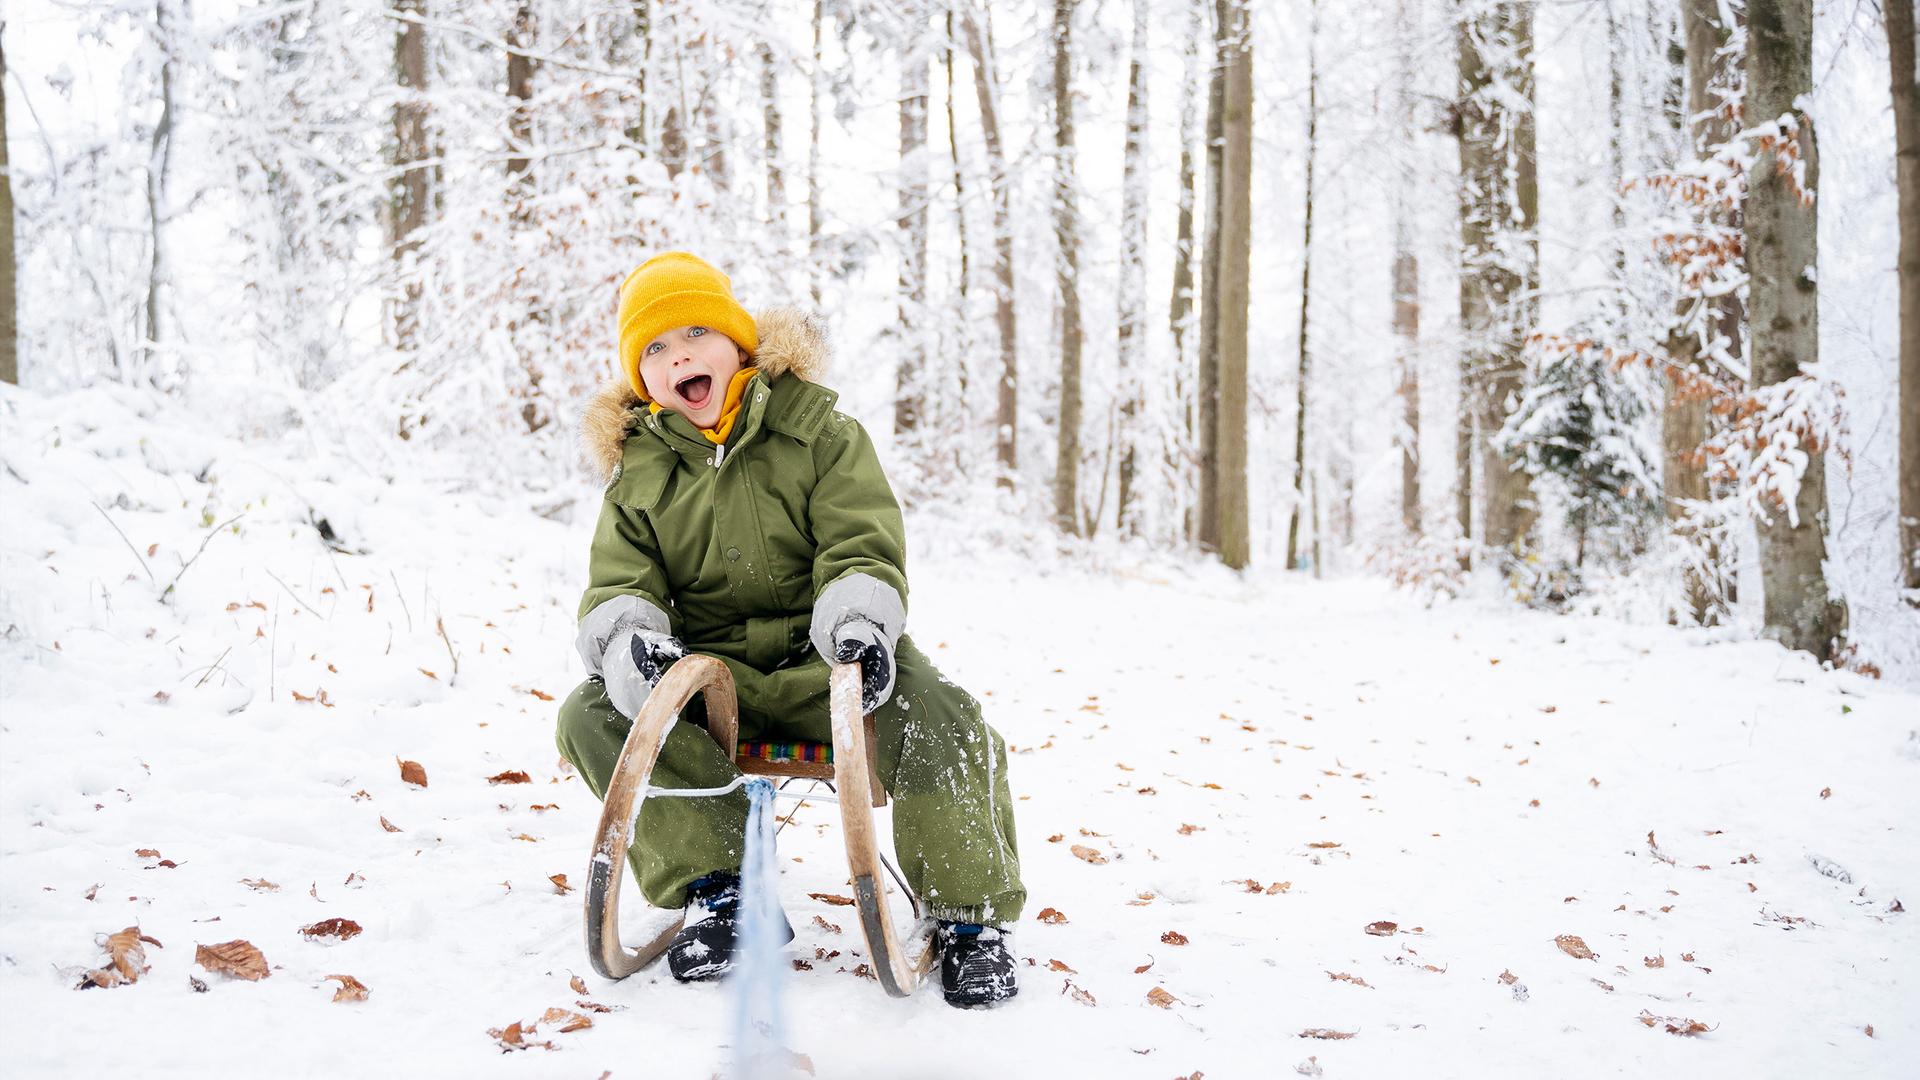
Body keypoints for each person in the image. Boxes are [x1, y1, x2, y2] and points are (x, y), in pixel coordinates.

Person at [555, 252, 1026, 1007]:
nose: (678, 354)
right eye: (654, 348)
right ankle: (720, 888)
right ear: (643, 380)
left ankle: (967, 917)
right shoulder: (638, 475)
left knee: (942, 713)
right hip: (710, 688)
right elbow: (619, 580)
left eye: (696, 331)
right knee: (591, 712)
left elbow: (859, 540)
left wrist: (860, 630)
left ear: (739, 343)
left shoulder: (819, 434)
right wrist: (631, 643)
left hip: (826, 669)